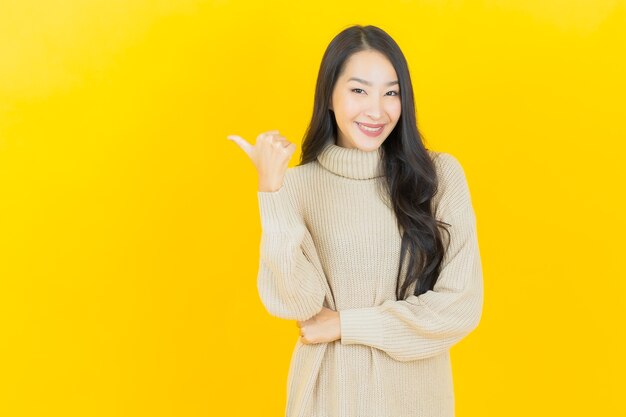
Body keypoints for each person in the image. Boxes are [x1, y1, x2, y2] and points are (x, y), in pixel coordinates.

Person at [227, 24, 483, 417]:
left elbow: (460, 307)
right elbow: (296, 302)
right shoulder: (297, 186)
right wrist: (271, 193)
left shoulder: (439, 177)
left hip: (418, 402)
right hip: (329, 399)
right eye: (359, 90)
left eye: (391, 92)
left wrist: (346, 324)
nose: (376, 110)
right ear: (329, 95)